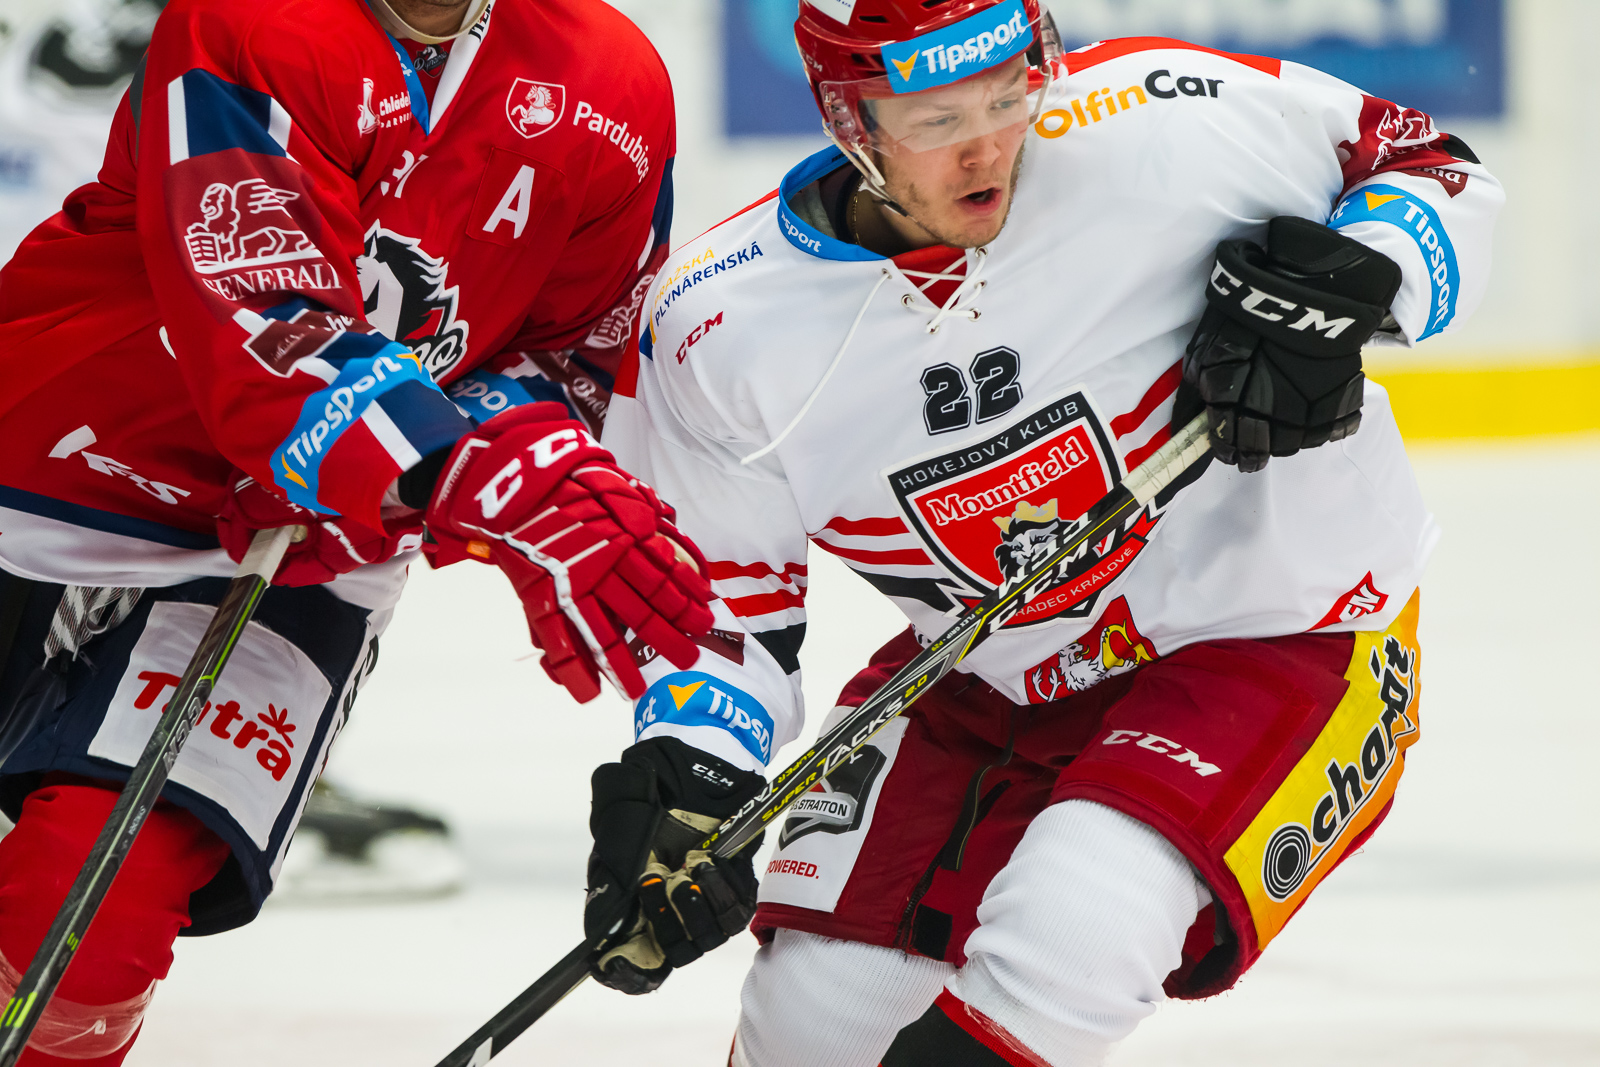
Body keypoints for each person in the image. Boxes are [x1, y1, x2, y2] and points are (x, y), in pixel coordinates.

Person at [583, 1, 1503, 1064]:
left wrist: (1355, 279)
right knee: (811, 1024)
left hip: (1285, 624)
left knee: (1068, 938)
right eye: (936, 119)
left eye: (1007, 94)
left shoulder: (1158, 116)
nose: (987, 147)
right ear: (848, 117)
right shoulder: (718, 325)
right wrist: (691, 767)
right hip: (990, 672)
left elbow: (1424, 161)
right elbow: (722, 610)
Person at [0, 0, 715, 1061]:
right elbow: (263, 309)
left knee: (85, 937)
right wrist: (463, 467)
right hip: (52, 466)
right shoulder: (253, 22)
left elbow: (570, 354)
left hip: (302, 548)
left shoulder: (612, 82)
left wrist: (529, 465)